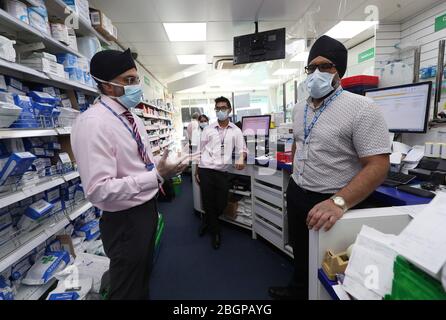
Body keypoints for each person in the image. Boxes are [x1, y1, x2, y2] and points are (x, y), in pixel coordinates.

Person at [268, 35, 391, 300]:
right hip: (298, 191)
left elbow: (379, 165)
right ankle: (297, 290)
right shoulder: (299, 107)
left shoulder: (362, 108)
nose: (316, 73)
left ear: (340, 72)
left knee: (326, 264)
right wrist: (295, 174)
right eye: (311, 67)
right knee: (300, 250)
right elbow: (299, 143)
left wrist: (338, 202)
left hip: (330, 198)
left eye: (325, 66)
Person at [71, 49, 188, 300]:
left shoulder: (130, 116)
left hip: (145, 209)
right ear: (107, 85)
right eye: (129, 80)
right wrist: (156, 175)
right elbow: (98, 190)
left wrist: (164, 164)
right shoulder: (93, 123)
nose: (137, 86)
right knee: (126, 291)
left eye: (136, 79)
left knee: (141, 280)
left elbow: (138, 162)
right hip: (124, 220)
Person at [194, 97, 247, 249]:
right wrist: (197, 171)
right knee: (208, 200)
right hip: (205, 169)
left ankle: (207, 221)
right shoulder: (208, 129)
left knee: (222, 202)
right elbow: (200, 150)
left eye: (223, 108)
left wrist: (241, 159)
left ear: (229, 110)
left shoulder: (236, 131)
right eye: (218, 108)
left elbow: (242, 149)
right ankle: (215, 233)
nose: (220, 111)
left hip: (221, 171)